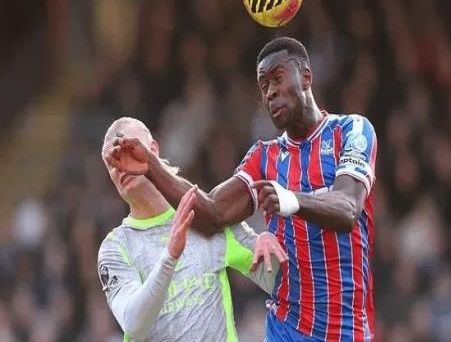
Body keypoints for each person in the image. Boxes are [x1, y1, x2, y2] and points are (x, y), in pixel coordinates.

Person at [106, 37, 378, 341]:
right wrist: (152, 166)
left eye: (277, 78)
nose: (270, 91)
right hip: (286, 328)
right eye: (263, 85)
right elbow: (211, 214)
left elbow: (348, 209)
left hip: (346, 328)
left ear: (306, 77)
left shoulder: (351, 130)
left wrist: (292, 200)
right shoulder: (263, 156)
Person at [98, 117, 287, 342]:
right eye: (112, 162)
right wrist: (169, 257)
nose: (121, 165)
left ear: (153, 149)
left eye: (128, 149)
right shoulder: (115, 247)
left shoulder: (205, 218)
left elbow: (283, 285)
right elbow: (134, 324)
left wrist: (271, 242)